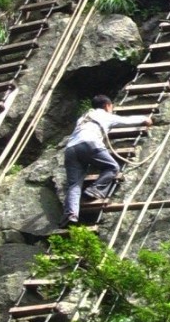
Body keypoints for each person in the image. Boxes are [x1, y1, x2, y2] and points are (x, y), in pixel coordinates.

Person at [61, 93, 149, 224]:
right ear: (107, 106)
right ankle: (95, 189)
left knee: (74, 184)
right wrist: (144, 119)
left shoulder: (83, 117)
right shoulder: (104, 115)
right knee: (112, 167)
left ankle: (71, 215)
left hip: (70, 149)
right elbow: (126, 121)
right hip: (90, 144)